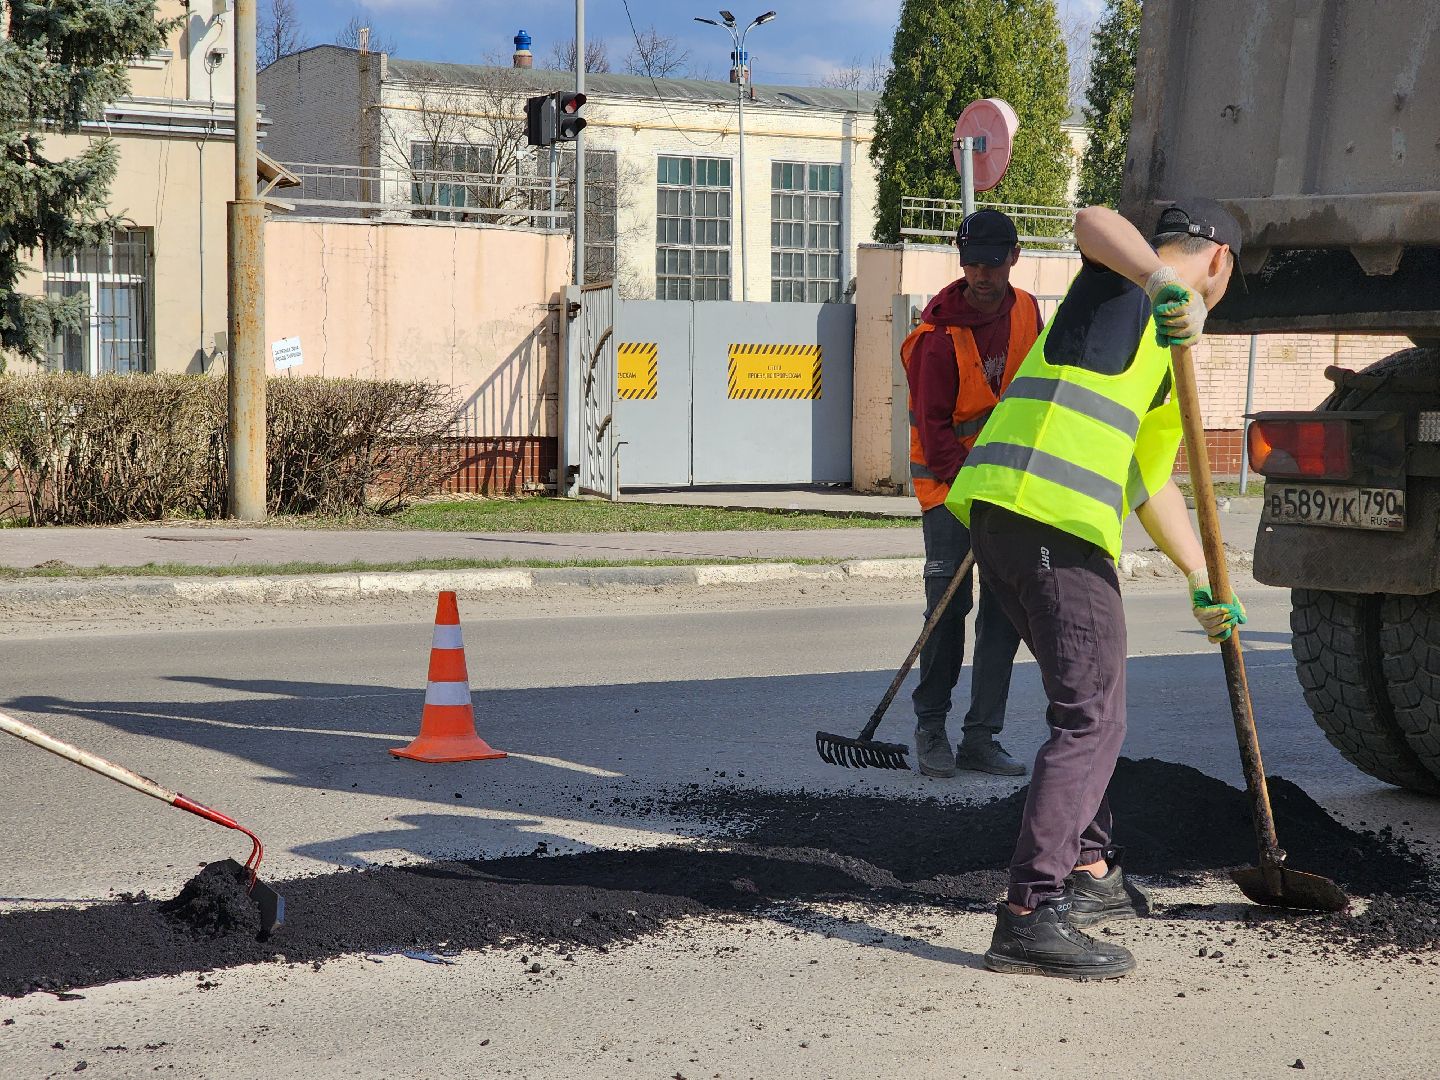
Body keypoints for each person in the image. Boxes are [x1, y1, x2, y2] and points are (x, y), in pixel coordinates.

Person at [946, 199, 1249, 979]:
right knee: (1092, 722)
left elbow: (1153, 483)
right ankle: (1029, 914)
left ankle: (1090, 873)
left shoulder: (1164, 352)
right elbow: (1090, 219)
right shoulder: (1124, 282)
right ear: (1218, 260)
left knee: (1087, 709)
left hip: (1022, 523)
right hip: (1047, 522)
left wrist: (1203, 581)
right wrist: (1158, 278)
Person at [899, 209, 1041, 780]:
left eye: (992, 263)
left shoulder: (1030, 311)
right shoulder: (937, 337)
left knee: (1005, 612)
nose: (981, 274)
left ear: (1013, 259)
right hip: (948, 490)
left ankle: (982, 737)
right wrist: (972, 490)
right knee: (948, 608)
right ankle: (931, 726)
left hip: (1008, 490)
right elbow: (934, 432)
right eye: (972, 263)